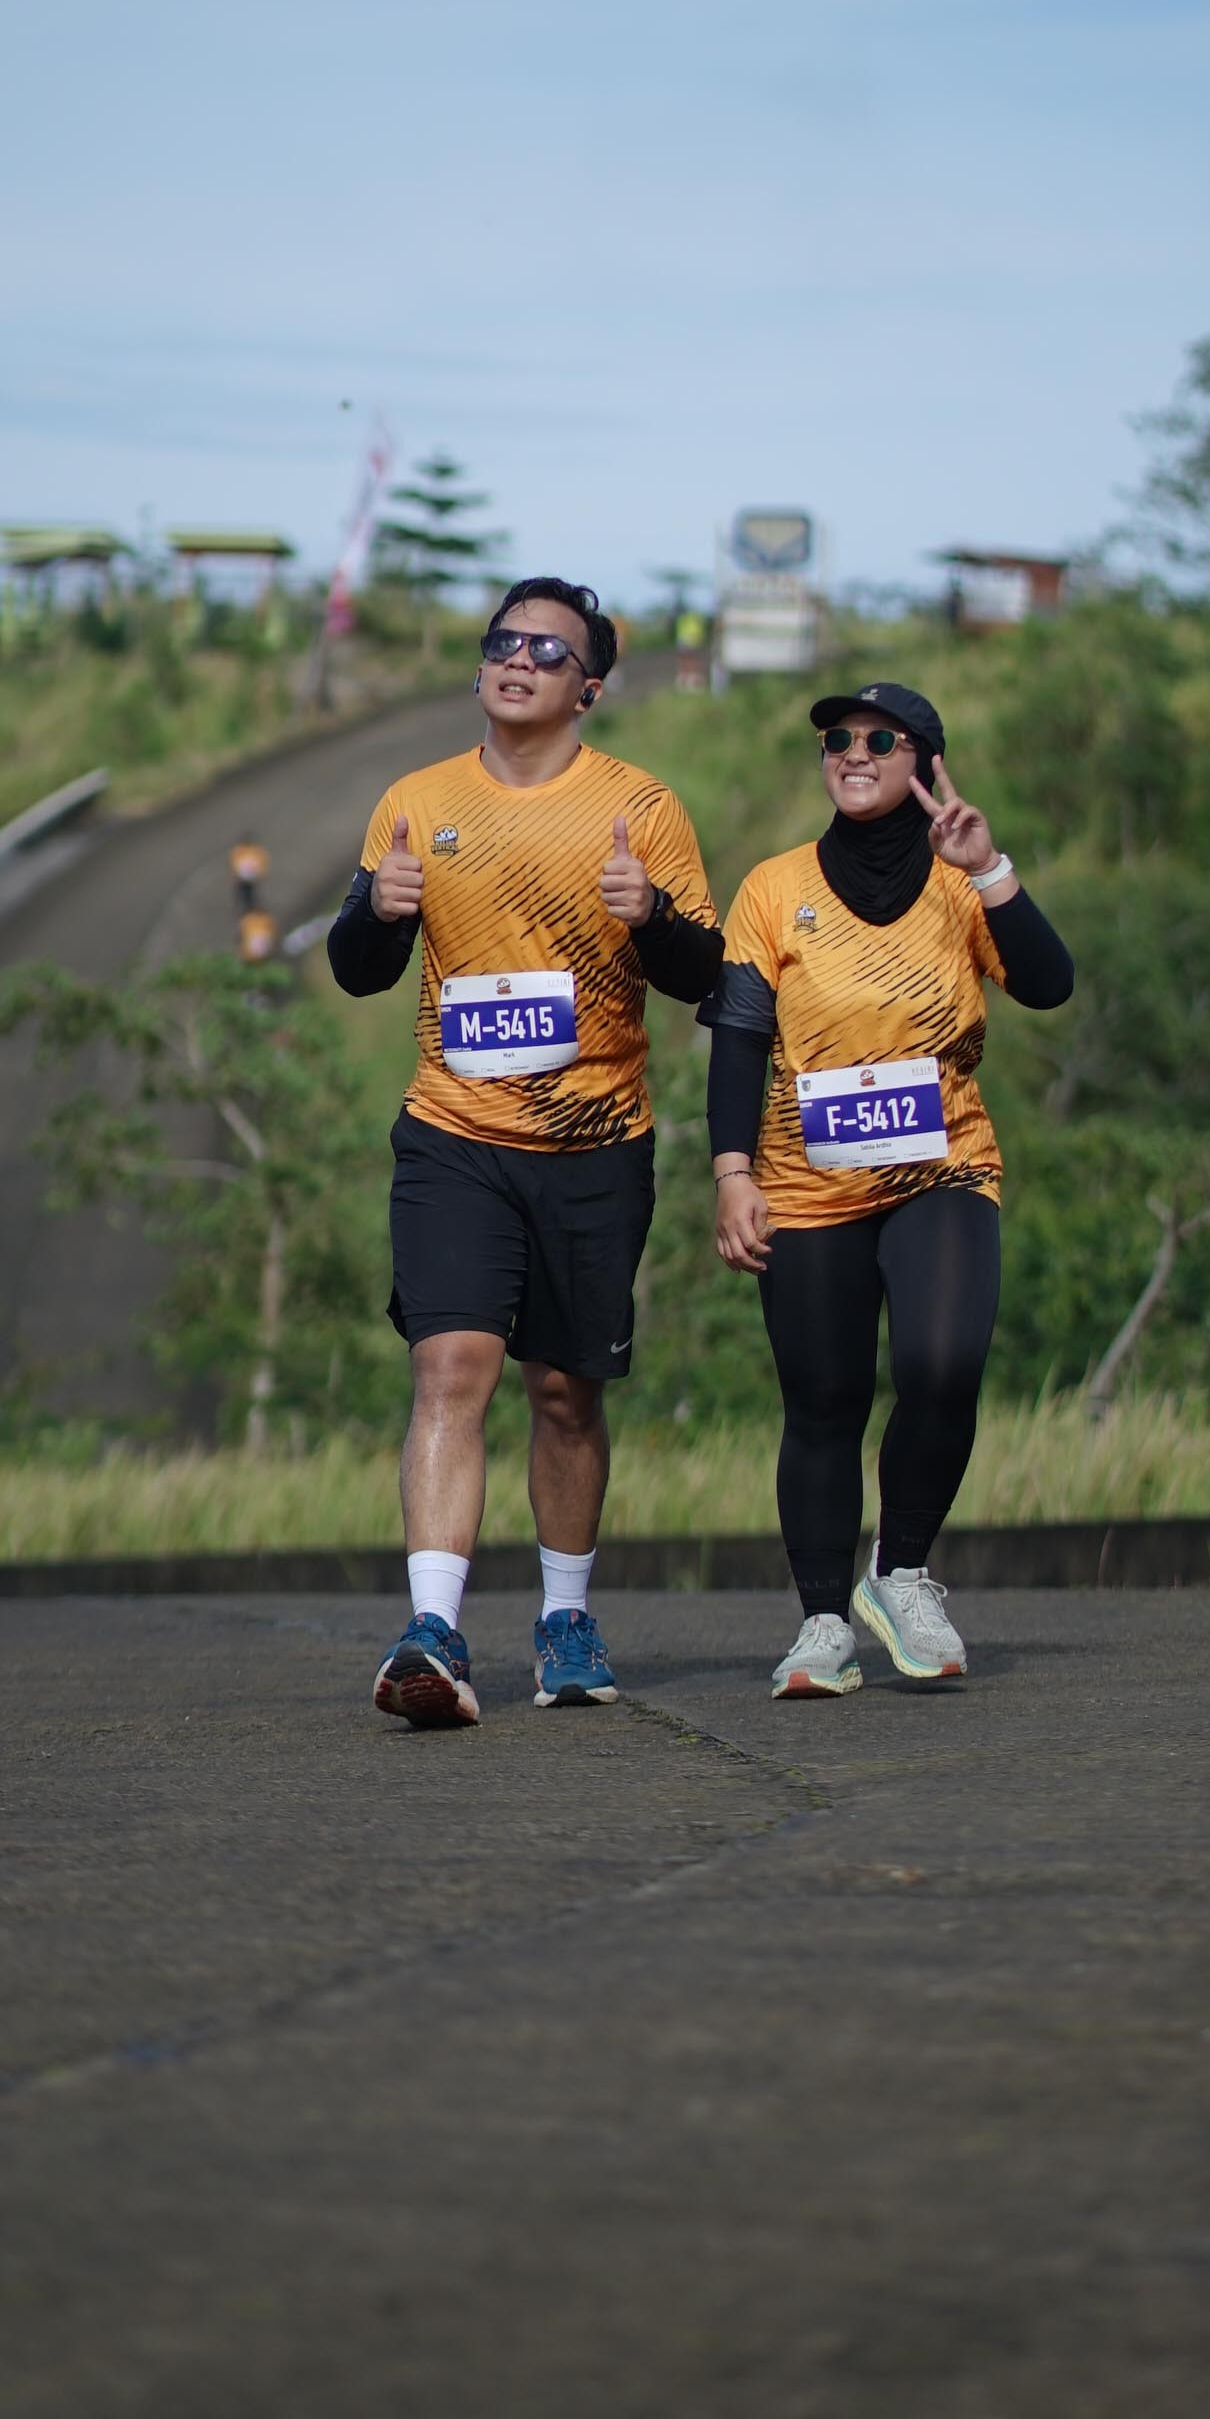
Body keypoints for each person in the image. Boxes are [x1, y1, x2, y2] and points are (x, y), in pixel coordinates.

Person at [329, 575, 722, 1725]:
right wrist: (377, 911)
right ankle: (433, 1630)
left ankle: (563, 1618)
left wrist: (649, 915)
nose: (518, 661)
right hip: (453, 1134)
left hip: (594, 1140)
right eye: (503, 641)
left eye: (548, 652)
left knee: (563, 1393)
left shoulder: (639, 808)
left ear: (587, 688)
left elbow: (702, 975)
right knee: (451, 1367)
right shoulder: (415, 801)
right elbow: (356, 971)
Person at [705, 681, 1073, 1697]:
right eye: (838, 738)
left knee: (943, 1362)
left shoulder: (962, 882)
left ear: (925, 763)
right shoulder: (773, 888)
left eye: (880, 739)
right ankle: (822, 1624)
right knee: (823, 1401)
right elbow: (737, 1039)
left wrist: (989, 870)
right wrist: (732, 1173)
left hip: (941, 1169)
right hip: (805, 1185)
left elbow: (1048, 984)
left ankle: (900, 1571)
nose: (853, 752)